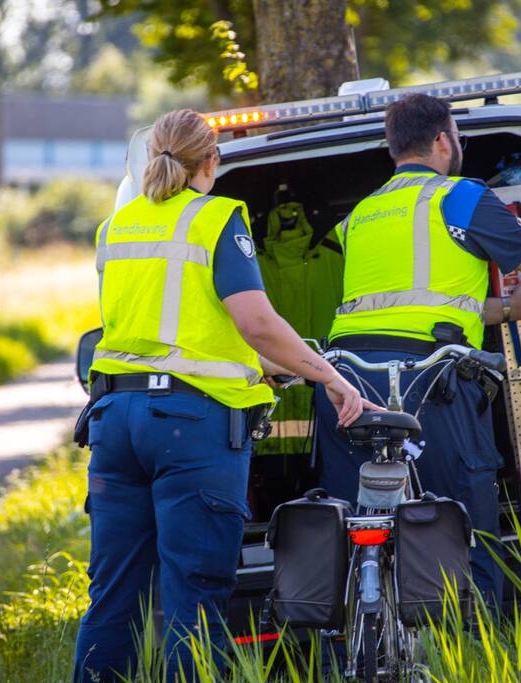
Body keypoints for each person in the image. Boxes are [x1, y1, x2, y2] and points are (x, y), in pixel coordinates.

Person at [72, 109, 374, 683]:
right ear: (212, 162)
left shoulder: (117, 225)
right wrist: (330, 378)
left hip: (114, 421)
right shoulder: (217, 218)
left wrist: (263, 368)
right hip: (189, 429)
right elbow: (257, 322)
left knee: (113, 597)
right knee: (194, 600)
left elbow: (172, 334)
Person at [314, 93, 521, 613]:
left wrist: (506, 311)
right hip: (428, 385)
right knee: (463, 519)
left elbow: (406, 305)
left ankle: (359, 638)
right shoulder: (460, 197)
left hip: (347, 385)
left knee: (357, 525)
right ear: (444, 140)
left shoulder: (360, 214)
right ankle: (471, 641)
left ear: (392, 146)